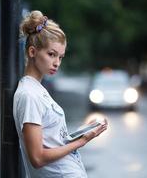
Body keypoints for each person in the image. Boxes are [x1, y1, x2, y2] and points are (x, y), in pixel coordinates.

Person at [13, 10, 108, 178]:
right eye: (51, 55)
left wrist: (80, 133)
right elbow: (37, 158)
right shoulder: (29, 95)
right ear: (32, 52)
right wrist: (82, 141)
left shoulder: (38, 90)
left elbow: (52, 142)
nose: (57, 63)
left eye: (61, 57)